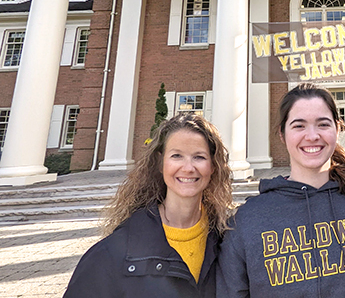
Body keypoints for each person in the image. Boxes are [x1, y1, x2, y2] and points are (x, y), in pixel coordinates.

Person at [217, 83, 345, 297]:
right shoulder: (248, 220)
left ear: (337, 130)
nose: (312, 136)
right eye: (299, 126)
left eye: (323, 124)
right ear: (282, 135)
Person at [64, 113, 234, 298]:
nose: (188, 167)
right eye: (176, 156)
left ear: (213, 166)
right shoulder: (114, 252)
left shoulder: (229, 240)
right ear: (160, 163)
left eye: (199, 157)